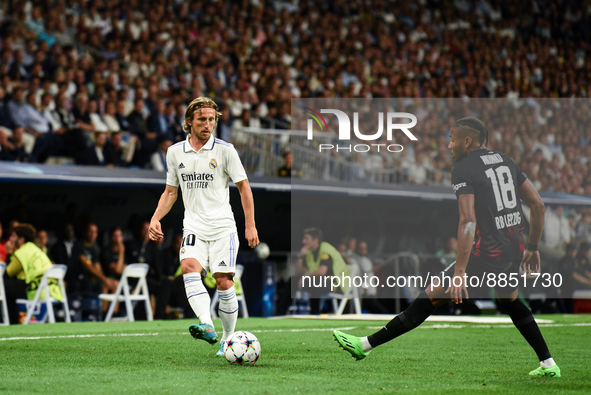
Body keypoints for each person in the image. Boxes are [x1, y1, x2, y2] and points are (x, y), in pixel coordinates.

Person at [333, 117, 560, 378]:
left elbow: (467, 221)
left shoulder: (464, 168)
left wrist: (460, 270)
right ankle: (548, 363)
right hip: (514, 247)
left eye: (452, 140)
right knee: (509, 300)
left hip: (487, 252)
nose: (449, 146)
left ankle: (365, 345)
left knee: (429, 296)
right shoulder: (506, 161)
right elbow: (539, 205)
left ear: (467, 141)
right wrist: (532, 247)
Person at [148, 96, 259, 356]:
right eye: (202, 120)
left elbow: (244, 188)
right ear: (189, 122)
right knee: (188, 267)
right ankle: (206, 324)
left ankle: (228, 339)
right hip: (194, 226)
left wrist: (250, 225)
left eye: (212, 119)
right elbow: (170, 192)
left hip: (223, 227)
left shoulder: (225, 150)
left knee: (223, 282)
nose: (208, 124)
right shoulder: (175, 152)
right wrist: (155, 218)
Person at [4, 224, 63, 324]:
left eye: (14, 236)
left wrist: (9, 253)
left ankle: (11, 322)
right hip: (53, 289)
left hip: (37, 290)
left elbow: (7, 274)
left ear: (21, 240)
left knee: (3, 285)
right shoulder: (36, 249)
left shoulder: (23, 252)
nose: (11, 239)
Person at [295, 227, 350, 314]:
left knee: (314, 282)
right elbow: (298, 273)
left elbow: (322, 271)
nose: (303, 241)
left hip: (337, 283)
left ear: (315, 240)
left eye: (306, 239)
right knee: (293, 280)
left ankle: (314, 314)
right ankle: (280, 313)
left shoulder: (325, 249)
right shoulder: (309, 252)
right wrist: (300, 257)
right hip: (323, 281)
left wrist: (304, 277)